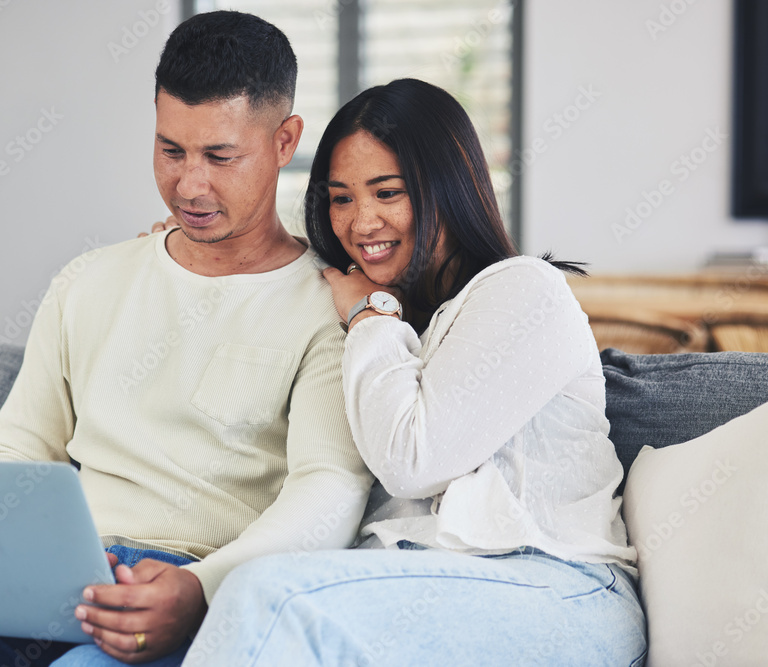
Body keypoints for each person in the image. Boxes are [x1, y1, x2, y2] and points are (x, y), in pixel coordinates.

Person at [0, 11, 372, 667]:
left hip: (190, 591)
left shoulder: (326, 304)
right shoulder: (88, 281)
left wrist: (201, 589)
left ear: (285, 141)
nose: (189, 185)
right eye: (171, 150)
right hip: (46, 576)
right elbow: (20, 445)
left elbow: (328, 491)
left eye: (220, 156)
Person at [181, 78, 648, 666]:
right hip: (416, 583)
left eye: (387, 192)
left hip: (555, 587)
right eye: (341, 198)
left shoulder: (524, 291)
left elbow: (412, 461)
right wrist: (200, 256)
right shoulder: (392, 323)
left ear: (450, 189)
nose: (361, 222)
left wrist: (369, 315)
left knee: (266, 593)